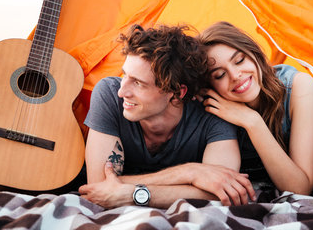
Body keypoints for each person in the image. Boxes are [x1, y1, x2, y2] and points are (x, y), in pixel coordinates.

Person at [79, 24, 255, 209]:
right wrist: (190, 173)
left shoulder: (213, 111)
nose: (122, 92)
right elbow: (98, 187)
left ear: (177, 93)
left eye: (138, 83)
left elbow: (222, 192)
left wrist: (133, 194)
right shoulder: (109, 94)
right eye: (125, 75)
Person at [198, 21, 313, 195]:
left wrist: (252, 122)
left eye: (239, 60)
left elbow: (300, 189)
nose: (235, 76)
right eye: (220, 75)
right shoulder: (211, 106)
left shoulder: (298, 86)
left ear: (253, 53)